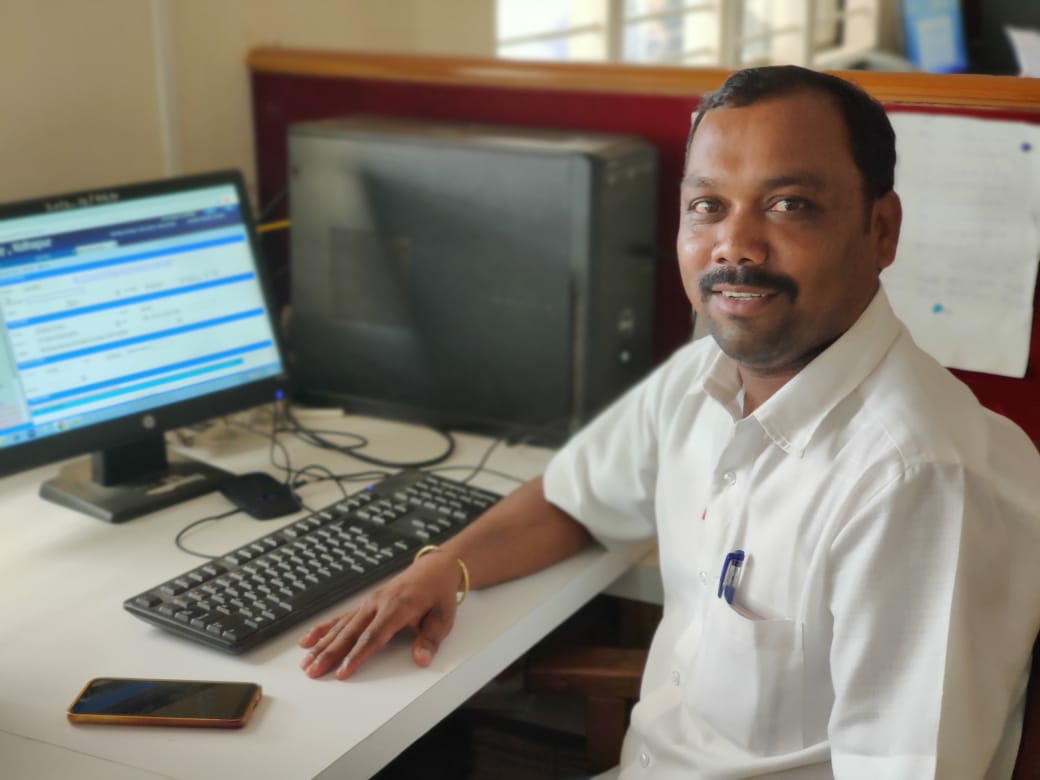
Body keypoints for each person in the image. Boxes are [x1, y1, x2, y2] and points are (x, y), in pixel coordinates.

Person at [297, 65, 1040, 778]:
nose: (735, 245)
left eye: (789, 205)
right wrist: (441, 570)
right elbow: (571, 498)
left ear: (881, 230)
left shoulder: (919, 483)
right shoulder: (702, 376)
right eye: (708, 206)